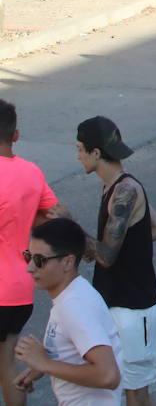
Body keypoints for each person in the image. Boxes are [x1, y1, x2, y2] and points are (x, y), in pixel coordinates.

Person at [75, 118, 156, 406]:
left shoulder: (125, 192)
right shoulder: (117, 187)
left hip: (134, 310)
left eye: (80, 149)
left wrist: (69, 227)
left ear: (96, 153)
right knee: (132, 391)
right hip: (123, 306)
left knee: (135, 394)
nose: (77, 156)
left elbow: (106, 256)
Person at [0, 100, 68, 406]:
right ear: (16, 135)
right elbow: (56, 216)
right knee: (6, 364)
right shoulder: (31, 171)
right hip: (22, 288)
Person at [13, 219, 121, 404]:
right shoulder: (73, 294)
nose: (29, 268)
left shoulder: (74, 307)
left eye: (39, 260)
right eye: (28, 256)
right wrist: (44, 366)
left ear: (67, 262)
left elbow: (108, 376)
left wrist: (45, 363)